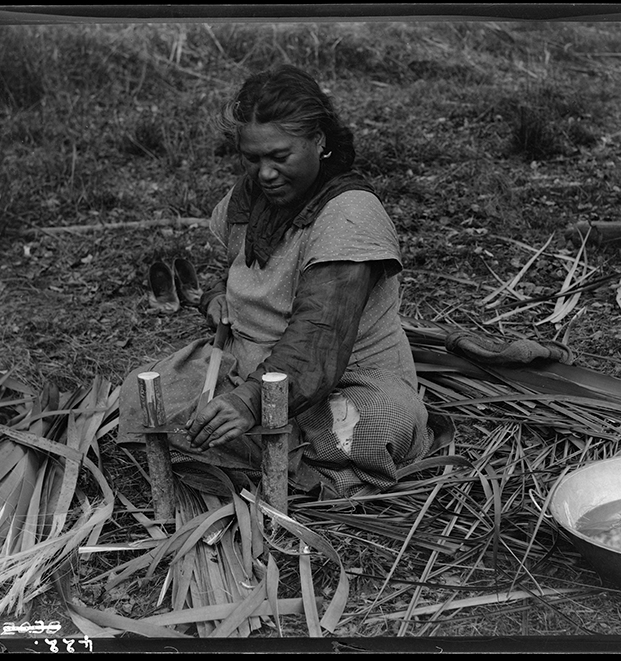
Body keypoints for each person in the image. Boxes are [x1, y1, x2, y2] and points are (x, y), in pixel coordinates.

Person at [119, 65, 438, 498]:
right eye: (253, 158)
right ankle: (278, 457)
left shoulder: (350, 216)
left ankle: (270, 456)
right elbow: (233, 267)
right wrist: (216, 297)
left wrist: (249, 403)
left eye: (280, 156)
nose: (265, 173)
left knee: (375, 428)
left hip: (342, 379)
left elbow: (318, 342)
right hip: (245, 364)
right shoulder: (250, 197)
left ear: (319, 141)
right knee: (141, 395)